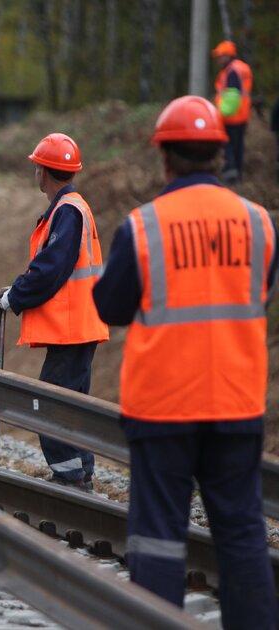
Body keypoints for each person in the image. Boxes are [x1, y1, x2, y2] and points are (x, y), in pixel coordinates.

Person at [91, 95, 277, 628]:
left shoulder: (145, 226)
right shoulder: (259, 224)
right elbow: (259, 289)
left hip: (164, 411)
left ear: (165, 158)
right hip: (237, 408)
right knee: (242, 534)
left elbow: (110, 306)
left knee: (158, 537)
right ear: (220, 155)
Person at [0, 133, 109, 491]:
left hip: (73, 327)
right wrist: (15, 290)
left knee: (49, 406)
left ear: (42, 171)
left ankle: (70, 479)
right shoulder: (72, 207)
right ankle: (80, 474)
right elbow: (53, 267)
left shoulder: (68, 211)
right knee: (71, 406)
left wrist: (14, 298)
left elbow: (51, 269)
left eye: (36, 167)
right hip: (80, 325)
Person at [211, 40, 253, 183]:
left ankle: (231, 177)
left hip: (230, 116)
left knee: (229, 147)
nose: (218, 59)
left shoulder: (232, 71)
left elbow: (232, 96)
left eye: (220, 56)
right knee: (238, 146)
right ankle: (238, 176)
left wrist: (220, 113)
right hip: (241, 115)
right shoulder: (240, 68)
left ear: (228, 56)